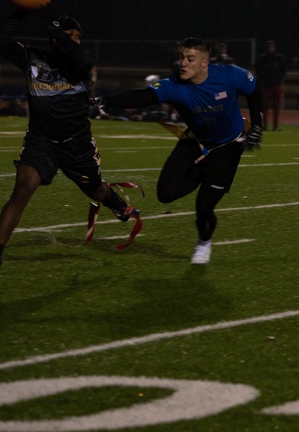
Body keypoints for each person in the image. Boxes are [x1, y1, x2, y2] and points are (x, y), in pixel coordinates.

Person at [0, 9, 141, 284]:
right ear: (54, 39)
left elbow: (83, 58)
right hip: (41, 141)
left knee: (95, 188)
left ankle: (112, 200)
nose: (75, 41)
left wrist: (58, 32)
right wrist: (19, 13)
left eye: (78, 37)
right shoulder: (34, 58)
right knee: (20, 193)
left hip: (77, 144)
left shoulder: (80, 64)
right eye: (70, 36)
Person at [95, 37, 264, 264]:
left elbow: (255, 89)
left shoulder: (230, 74)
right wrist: (104, 101)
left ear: (204, 63)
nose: (182, 63)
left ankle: (204, 242)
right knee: (165, 194)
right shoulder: (174, 84)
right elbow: (143, 96)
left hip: (227, 147)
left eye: (190, 59)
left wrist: (258, 126)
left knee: (204, 207)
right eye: (181, 57)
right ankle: (202, 174)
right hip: (195, 142)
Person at [256, 39, 287, 131]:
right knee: (265, 107)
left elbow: (283, 71)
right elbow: (258, 71)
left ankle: (275, 126)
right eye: (269, 47)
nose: (271, 49)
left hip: (276, 85)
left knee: (276, 107)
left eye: (272, 47)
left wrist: (278, 80)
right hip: (266, 86)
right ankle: (264, 125)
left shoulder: (280, 58)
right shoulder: (262, 58)